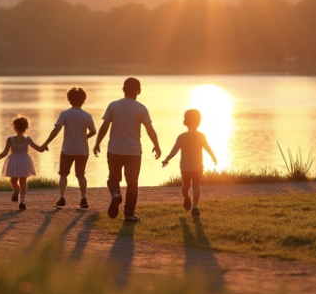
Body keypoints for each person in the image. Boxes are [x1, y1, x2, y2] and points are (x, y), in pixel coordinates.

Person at [93, 77, 161, 222]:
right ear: (139, 91)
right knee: (132, 183)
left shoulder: (113, 106)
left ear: (123, 90)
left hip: (115, 150)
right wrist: (156, 145)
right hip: (134, 152)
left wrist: (97, 142)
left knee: (113, 177)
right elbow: (149, 128)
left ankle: (115, 194)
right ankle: (129, 214)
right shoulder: (141, 108)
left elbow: (105, 126)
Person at [39, 87, 97, 209]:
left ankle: (62, 198)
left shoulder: (65, 114)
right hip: (82, 150)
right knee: (81, 175)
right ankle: (83, 199)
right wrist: (84, 137)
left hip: (67, 150)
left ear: (69, 100)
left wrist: (46, 143)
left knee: (63, 174)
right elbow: (93, 131)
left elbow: (57, 129)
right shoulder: (86, 115)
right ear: (84, 100)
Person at [161, 109, 217, 218]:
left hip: (190, 167)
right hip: (192, 167)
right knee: (191, 187)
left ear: (184, 122)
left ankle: (191, 204)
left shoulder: (186, 137)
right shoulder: (192, 136)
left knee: (190, 186)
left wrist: (167, 159)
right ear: (199, 122)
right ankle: (191, 202)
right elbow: (207, 148)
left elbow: (174, 151)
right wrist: (213, 157)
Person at [0, 115, 45, 211]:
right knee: (17, 180)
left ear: (14, 127)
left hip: (18, 160)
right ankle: (18, 193)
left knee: (18, 180)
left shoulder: (21, 139)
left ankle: (21, 200)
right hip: (21, 161)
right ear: (26, 128)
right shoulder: (13, 139)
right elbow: (38, 148)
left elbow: (37, 148)